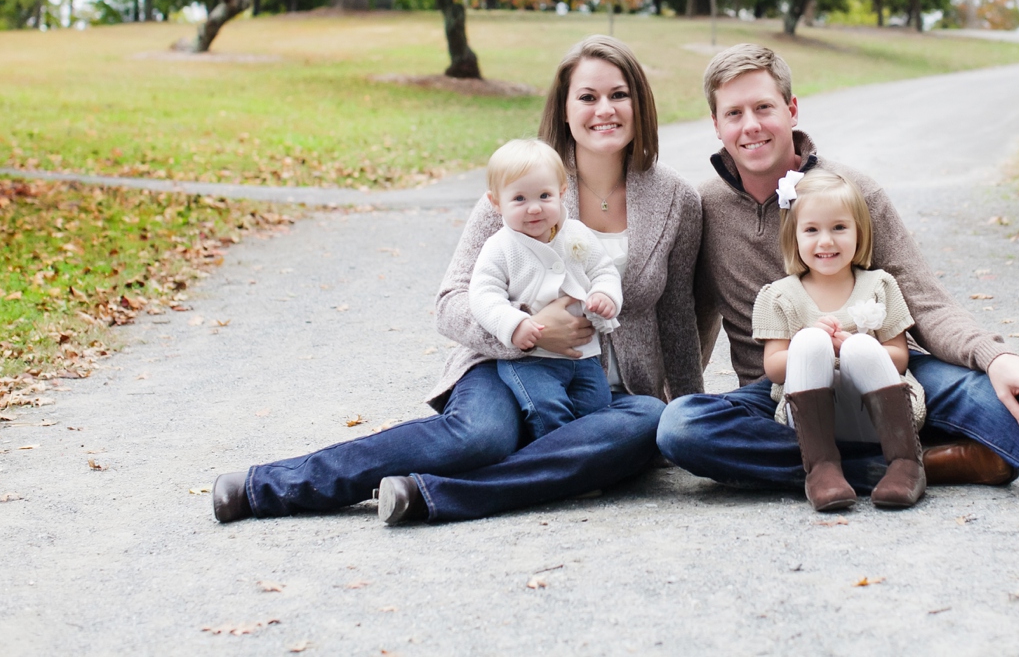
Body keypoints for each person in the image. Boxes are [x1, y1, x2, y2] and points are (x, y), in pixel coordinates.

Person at [657, 44, 1019, 539]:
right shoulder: (703, 208)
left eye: (763, 107)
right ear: (716, 124)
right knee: (682, 428)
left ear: (790, 108)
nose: (750, 125)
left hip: (885, 368)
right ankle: (927, 463)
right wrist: (671, 394)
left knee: (996, 394)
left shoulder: (851, 194)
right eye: (733, 113)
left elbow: (923, 300)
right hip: (785, 393)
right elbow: (689, 318)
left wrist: (995, 356)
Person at [211, 36, 704, 526]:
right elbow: (451, 302)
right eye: (588, 97)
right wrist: (527, 328)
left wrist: (689, 424)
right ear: (565, 109)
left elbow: (678, 318)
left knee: (646, 418)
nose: (605, 110)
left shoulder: (675, 199)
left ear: (640, 102)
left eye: (619, 95)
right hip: (503, 368)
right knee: (481, 437)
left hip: (607, 397)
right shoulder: (523, 187)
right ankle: (265, 487)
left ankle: (432, 494)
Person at [755, 168, 927, 512]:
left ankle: (906, 462)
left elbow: (899, 356)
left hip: (877, 417)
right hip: (812, 423)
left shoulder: (879, 285)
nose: (826, 241)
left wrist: (849, 345)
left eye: (839, 228)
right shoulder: (779, 296)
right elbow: (774, 369)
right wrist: (814, 339)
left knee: (861, 345)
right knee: (807, 343)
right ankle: (822, 468)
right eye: (812, 230)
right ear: (794, 236)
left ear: (858, 232)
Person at [471, 138, 622, 440]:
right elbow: (483, 295)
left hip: (585, 356)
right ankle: (559, 468)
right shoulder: (500, 247)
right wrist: (514, 325)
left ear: (562, 193)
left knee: (597, 409)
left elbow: (603, 270)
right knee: (547, 411)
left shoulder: (576, 233)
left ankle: (584, 462)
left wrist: (605, 294)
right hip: (532, 359)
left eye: (544, 195)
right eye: (519, 199)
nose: (535, 208)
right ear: (496, 202)